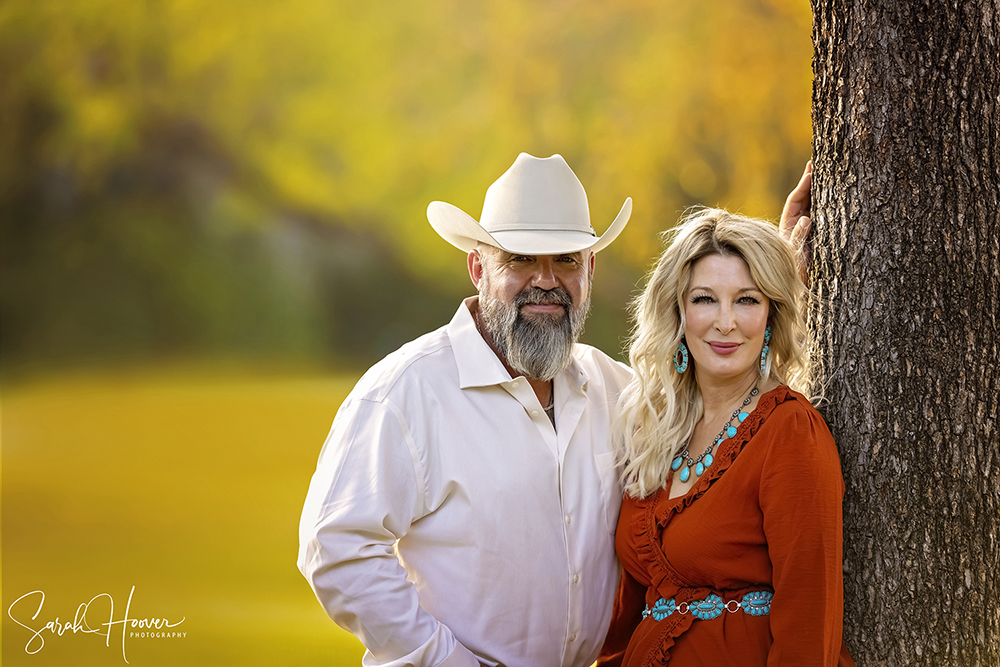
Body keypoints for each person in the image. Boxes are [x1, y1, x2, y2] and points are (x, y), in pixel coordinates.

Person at [297, 153, 635, 667]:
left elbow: (720, 424)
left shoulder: (614, 388)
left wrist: (776, 287)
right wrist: (443, 661)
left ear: (589, 269)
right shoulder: (405, 392)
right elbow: (336, 548)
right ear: (478, 267)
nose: (546, 280)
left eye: (565, 259)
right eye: (520, 259)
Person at [597, 207, 854, 666]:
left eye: (747, 300)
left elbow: (809, 621)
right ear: (678, 311)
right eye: (704, 299)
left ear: (772, 314)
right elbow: (629, 612)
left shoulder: (790, 432)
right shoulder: (654, 427)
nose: (725, 322)